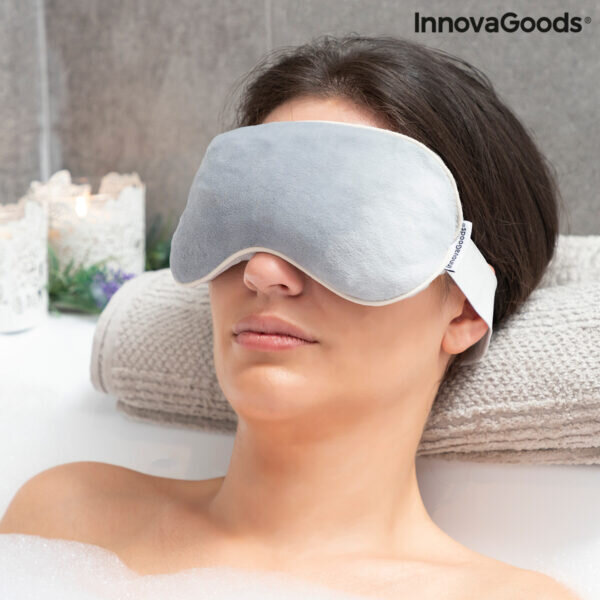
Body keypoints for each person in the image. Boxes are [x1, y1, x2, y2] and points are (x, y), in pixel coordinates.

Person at [0, 34, 578, 599]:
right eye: (245, 218)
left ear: (465, 309)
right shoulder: (64, 519)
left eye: (340, 227)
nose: (262, 271)